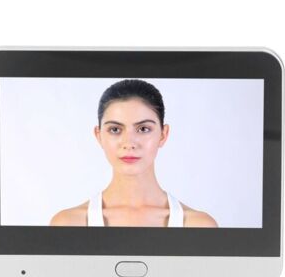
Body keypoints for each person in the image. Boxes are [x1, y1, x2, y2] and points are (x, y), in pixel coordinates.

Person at [50, 79, 218, 227]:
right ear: (99, 136)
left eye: (143, 129)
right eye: (115, 129)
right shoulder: (68, 223)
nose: (129, 143)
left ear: (163, 135)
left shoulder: (199, 225)